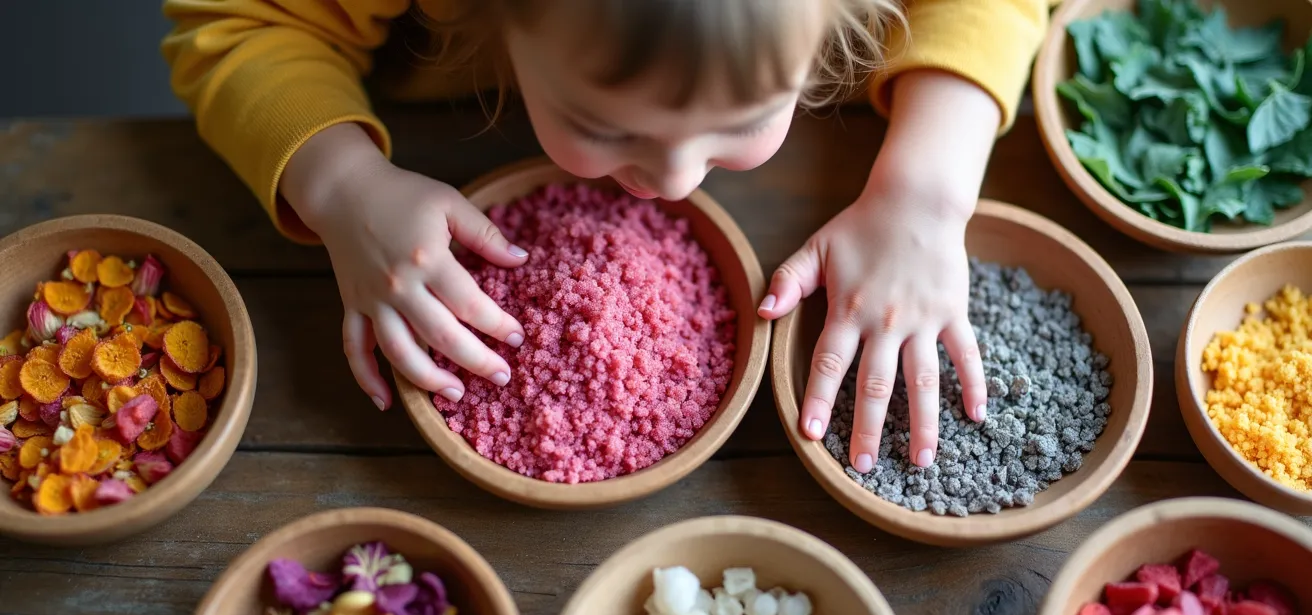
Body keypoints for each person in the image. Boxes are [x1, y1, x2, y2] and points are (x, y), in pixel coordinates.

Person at [161, 0, 1053, 472]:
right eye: (604, 122)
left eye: (743, 117)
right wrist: (342, 182)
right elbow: (244, 24)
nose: (673, 180)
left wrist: (926, 191)